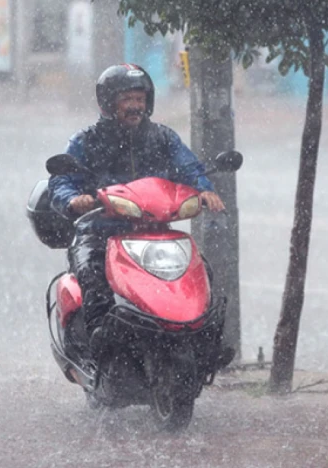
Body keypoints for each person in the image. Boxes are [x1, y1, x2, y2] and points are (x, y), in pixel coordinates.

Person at [48, 64, 225, 359]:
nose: (135, 106)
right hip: (101, 231)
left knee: (199, 271)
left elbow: (189, 168)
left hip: (154, 231)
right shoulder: (86, 140)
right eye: (127, 99)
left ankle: (205, 344)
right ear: (108, 103)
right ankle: (98, 345)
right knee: (92, 274)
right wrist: (73, 200)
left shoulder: (163, 138)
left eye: (140, 99)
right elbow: (61, 181)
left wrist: (204, 189)